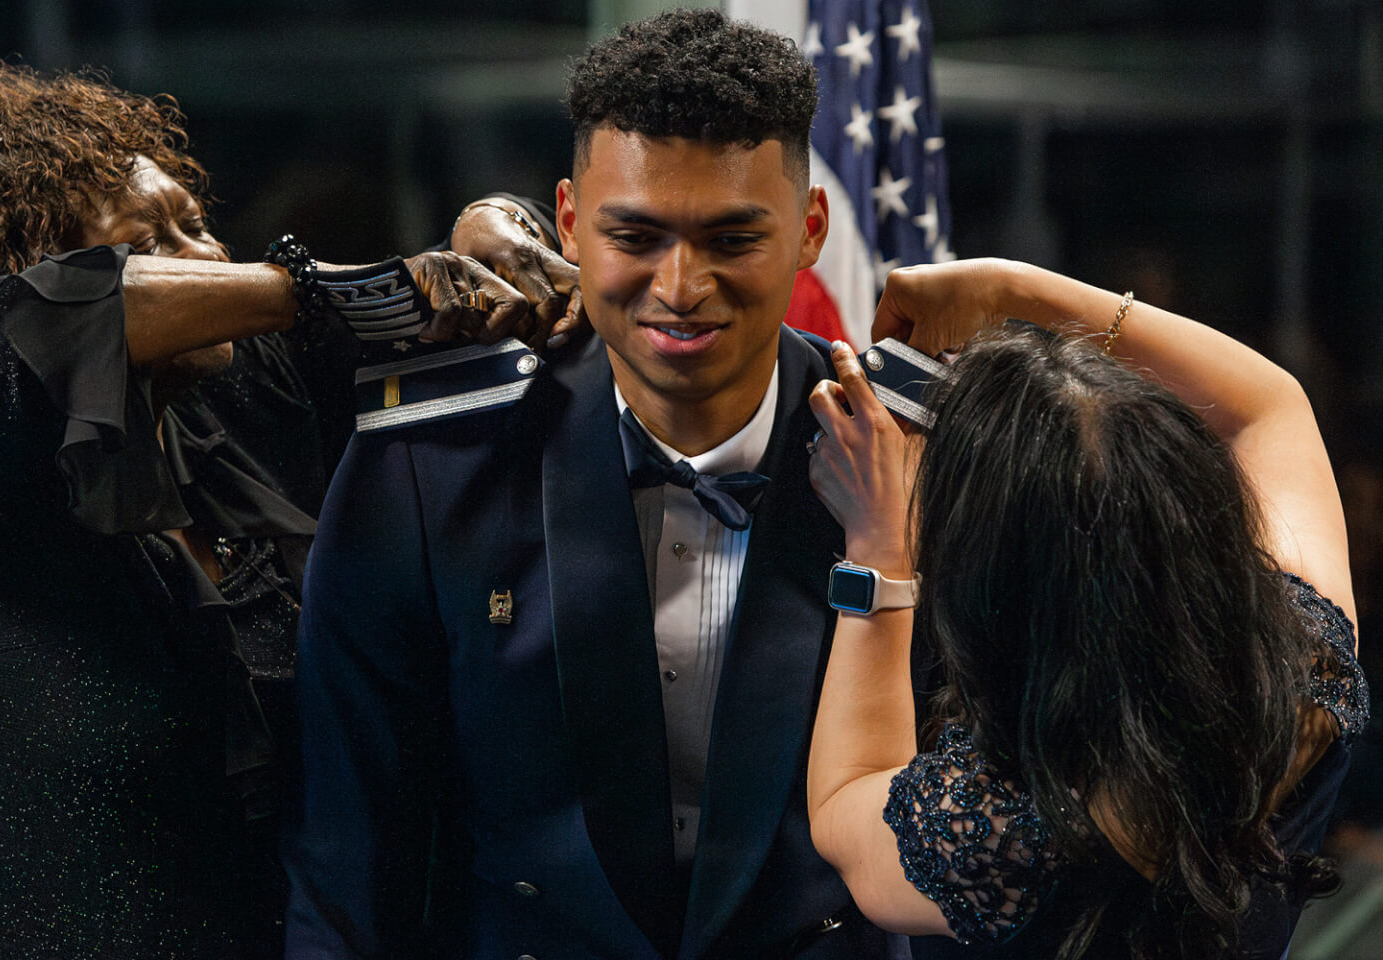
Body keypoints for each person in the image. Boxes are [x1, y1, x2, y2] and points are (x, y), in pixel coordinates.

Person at [0, 64, 575, 959]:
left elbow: (434, 308)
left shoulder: (224, 416)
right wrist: (309, 285)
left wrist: (487, 225)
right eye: (151, 244)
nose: (208, 258)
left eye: (196, 224)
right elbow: (55, 319)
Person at [286, 9, 911, 959]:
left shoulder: (915, 462)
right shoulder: (427, 462)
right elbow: (347, 857)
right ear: (571, 223)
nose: (681, 285)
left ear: (811, 228)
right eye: (638, 235)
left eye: (733, 240)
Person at [804, 258, 1368, 958]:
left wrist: (879, 549)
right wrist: (1012, 291)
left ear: (999, 593)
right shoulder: (1303, 669)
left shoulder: (996, 835)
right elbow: (1268, 405)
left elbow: (845, 804)